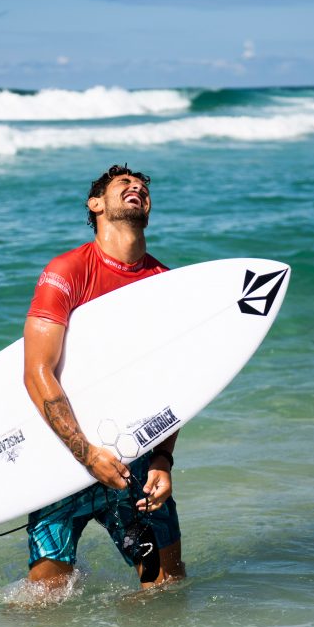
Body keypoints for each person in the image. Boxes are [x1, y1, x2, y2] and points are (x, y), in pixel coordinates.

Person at [22, 164, 186, 591]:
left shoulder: (165, 284)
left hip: (135, 462)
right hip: (64, 461)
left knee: (165, 588)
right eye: (123, 184)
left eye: (143, 186)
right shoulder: (68, 271)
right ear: (95, 204)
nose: (137, 187)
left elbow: (177, 384)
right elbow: (37, 371)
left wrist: (163, 461)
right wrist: (85, 454)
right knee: (44, 604)